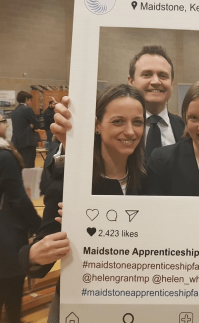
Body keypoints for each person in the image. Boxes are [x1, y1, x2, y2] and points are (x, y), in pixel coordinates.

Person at [19, 84, 147, 322]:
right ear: (97, 125)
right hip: (80, 306)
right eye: (118, 121)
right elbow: (39, 262)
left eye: (137, 122)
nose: (130, 131)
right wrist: (35, 254)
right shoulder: (71, 185)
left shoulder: (149, 182)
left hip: (134, 303)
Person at [51, 46, 184, 161]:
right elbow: (51, 180)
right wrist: (70, 145)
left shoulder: (186, 129)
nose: (156, 81)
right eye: (147, 74)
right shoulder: (101, 128)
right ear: (131, 81)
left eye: (163, 76)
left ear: (171, 83)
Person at [0, 114, 42, 323]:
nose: (6, 125)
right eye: (2, 122)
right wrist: (38, 226)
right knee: (12, 297)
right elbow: (18, 199)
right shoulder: (4, 156)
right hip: (6, 234)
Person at [11, 91, 41, 168]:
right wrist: (32, 126)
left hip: (17, 142)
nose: (31, 103)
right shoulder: (27, 109)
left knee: (20, 165)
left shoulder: (14, 111)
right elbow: (37, 124)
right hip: (27, 142)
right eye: (30, 100)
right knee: (29, 165)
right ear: (26, 99)